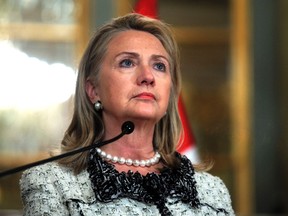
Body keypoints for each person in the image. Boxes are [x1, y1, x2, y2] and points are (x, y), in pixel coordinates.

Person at [20, 13, 235, 215]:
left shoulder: (212, 191)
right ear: (93, 90)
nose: (148, 77)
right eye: (127, 62)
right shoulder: (50, 184)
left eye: (159, 66)